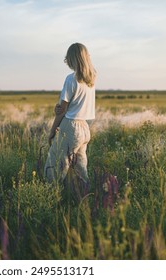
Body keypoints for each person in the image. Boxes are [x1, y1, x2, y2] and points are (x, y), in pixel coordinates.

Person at [44, 43, 96, 187]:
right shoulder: (90, 81)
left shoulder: (71, 79)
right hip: (84, 128)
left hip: (71, 126)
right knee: (81, 169)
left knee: (54, 167)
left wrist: (52, 131)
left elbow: (62, 111)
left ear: (72, 58)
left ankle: (50, 197)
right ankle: (86, 196)